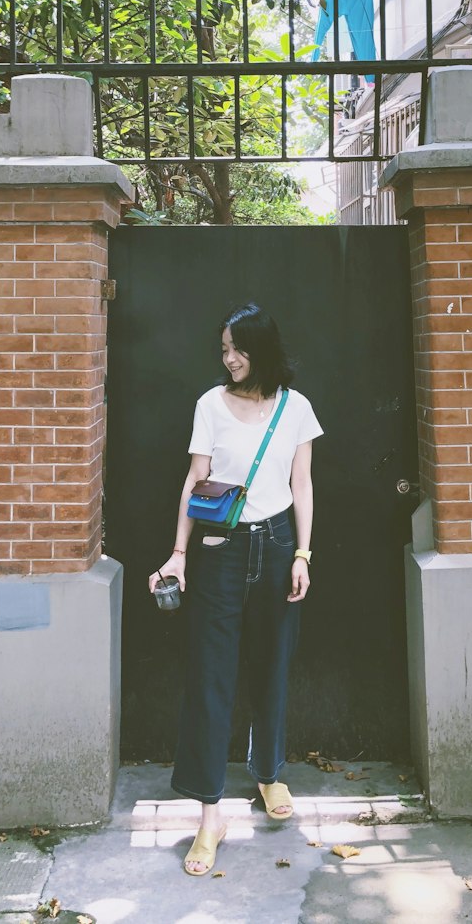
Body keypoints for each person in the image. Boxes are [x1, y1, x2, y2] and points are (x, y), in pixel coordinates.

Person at [149, 303, 321, 877]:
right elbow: (194, 481)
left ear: (260, 347)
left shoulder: (296, 408)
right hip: (221, 549)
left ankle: (268, 773)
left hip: (276, 546)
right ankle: (208, 815)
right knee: (211, 676)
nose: (228, 358)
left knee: (273, 666)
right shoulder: (210, 404)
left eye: (236, 349)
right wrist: (178, 553)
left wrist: (301, 553)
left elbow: (303, 484)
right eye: (223, 350)